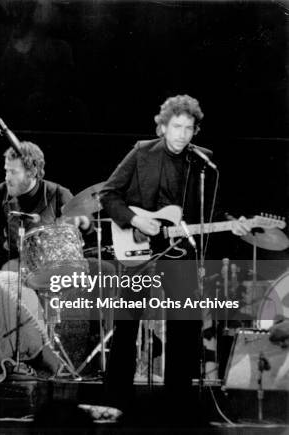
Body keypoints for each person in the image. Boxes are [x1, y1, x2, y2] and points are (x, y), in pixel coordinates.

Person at [100, 94, 250, 423]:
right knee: (126, 325)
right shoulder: (142, 152)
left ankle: (178, 404)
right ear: (163, 126)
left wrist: (233, 223)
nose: (182, 134)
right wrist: (135, 219)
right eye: (176, 126)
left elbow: (212, 208)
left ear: (196, 130)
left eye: (188, 128)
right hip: (137, 249)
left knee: (186, 324)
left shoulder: (203, 162)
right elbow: (107, 194)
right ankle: (116, 400)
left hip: (178, 252)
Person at [0, 141, 89, 270]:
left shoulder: (58, 194)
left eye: (13, 172)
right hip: (17, 267)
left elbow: (90, 230)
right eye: (6, 171)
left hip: (52, 267)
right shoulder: (2, 192)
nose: (7, 178)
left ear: (31, 173)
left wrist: (84, 222)